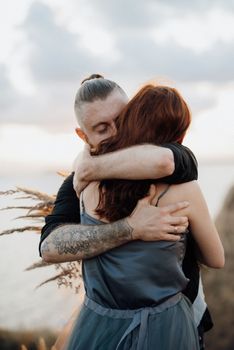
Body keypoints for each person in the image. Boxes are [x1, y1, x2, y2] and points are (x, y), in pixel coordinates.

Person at [39, 75, 214, 349]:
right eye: (102, 128)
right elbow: (50, 247)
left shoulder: (169, 153)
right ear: (83, 136)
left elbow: (165, 162)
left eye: (121, 120)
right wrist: (129, 229)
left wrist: (89, 167)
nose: (117, 133)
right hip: (107, 328)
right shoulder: (79, 184)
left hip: (178, 319)